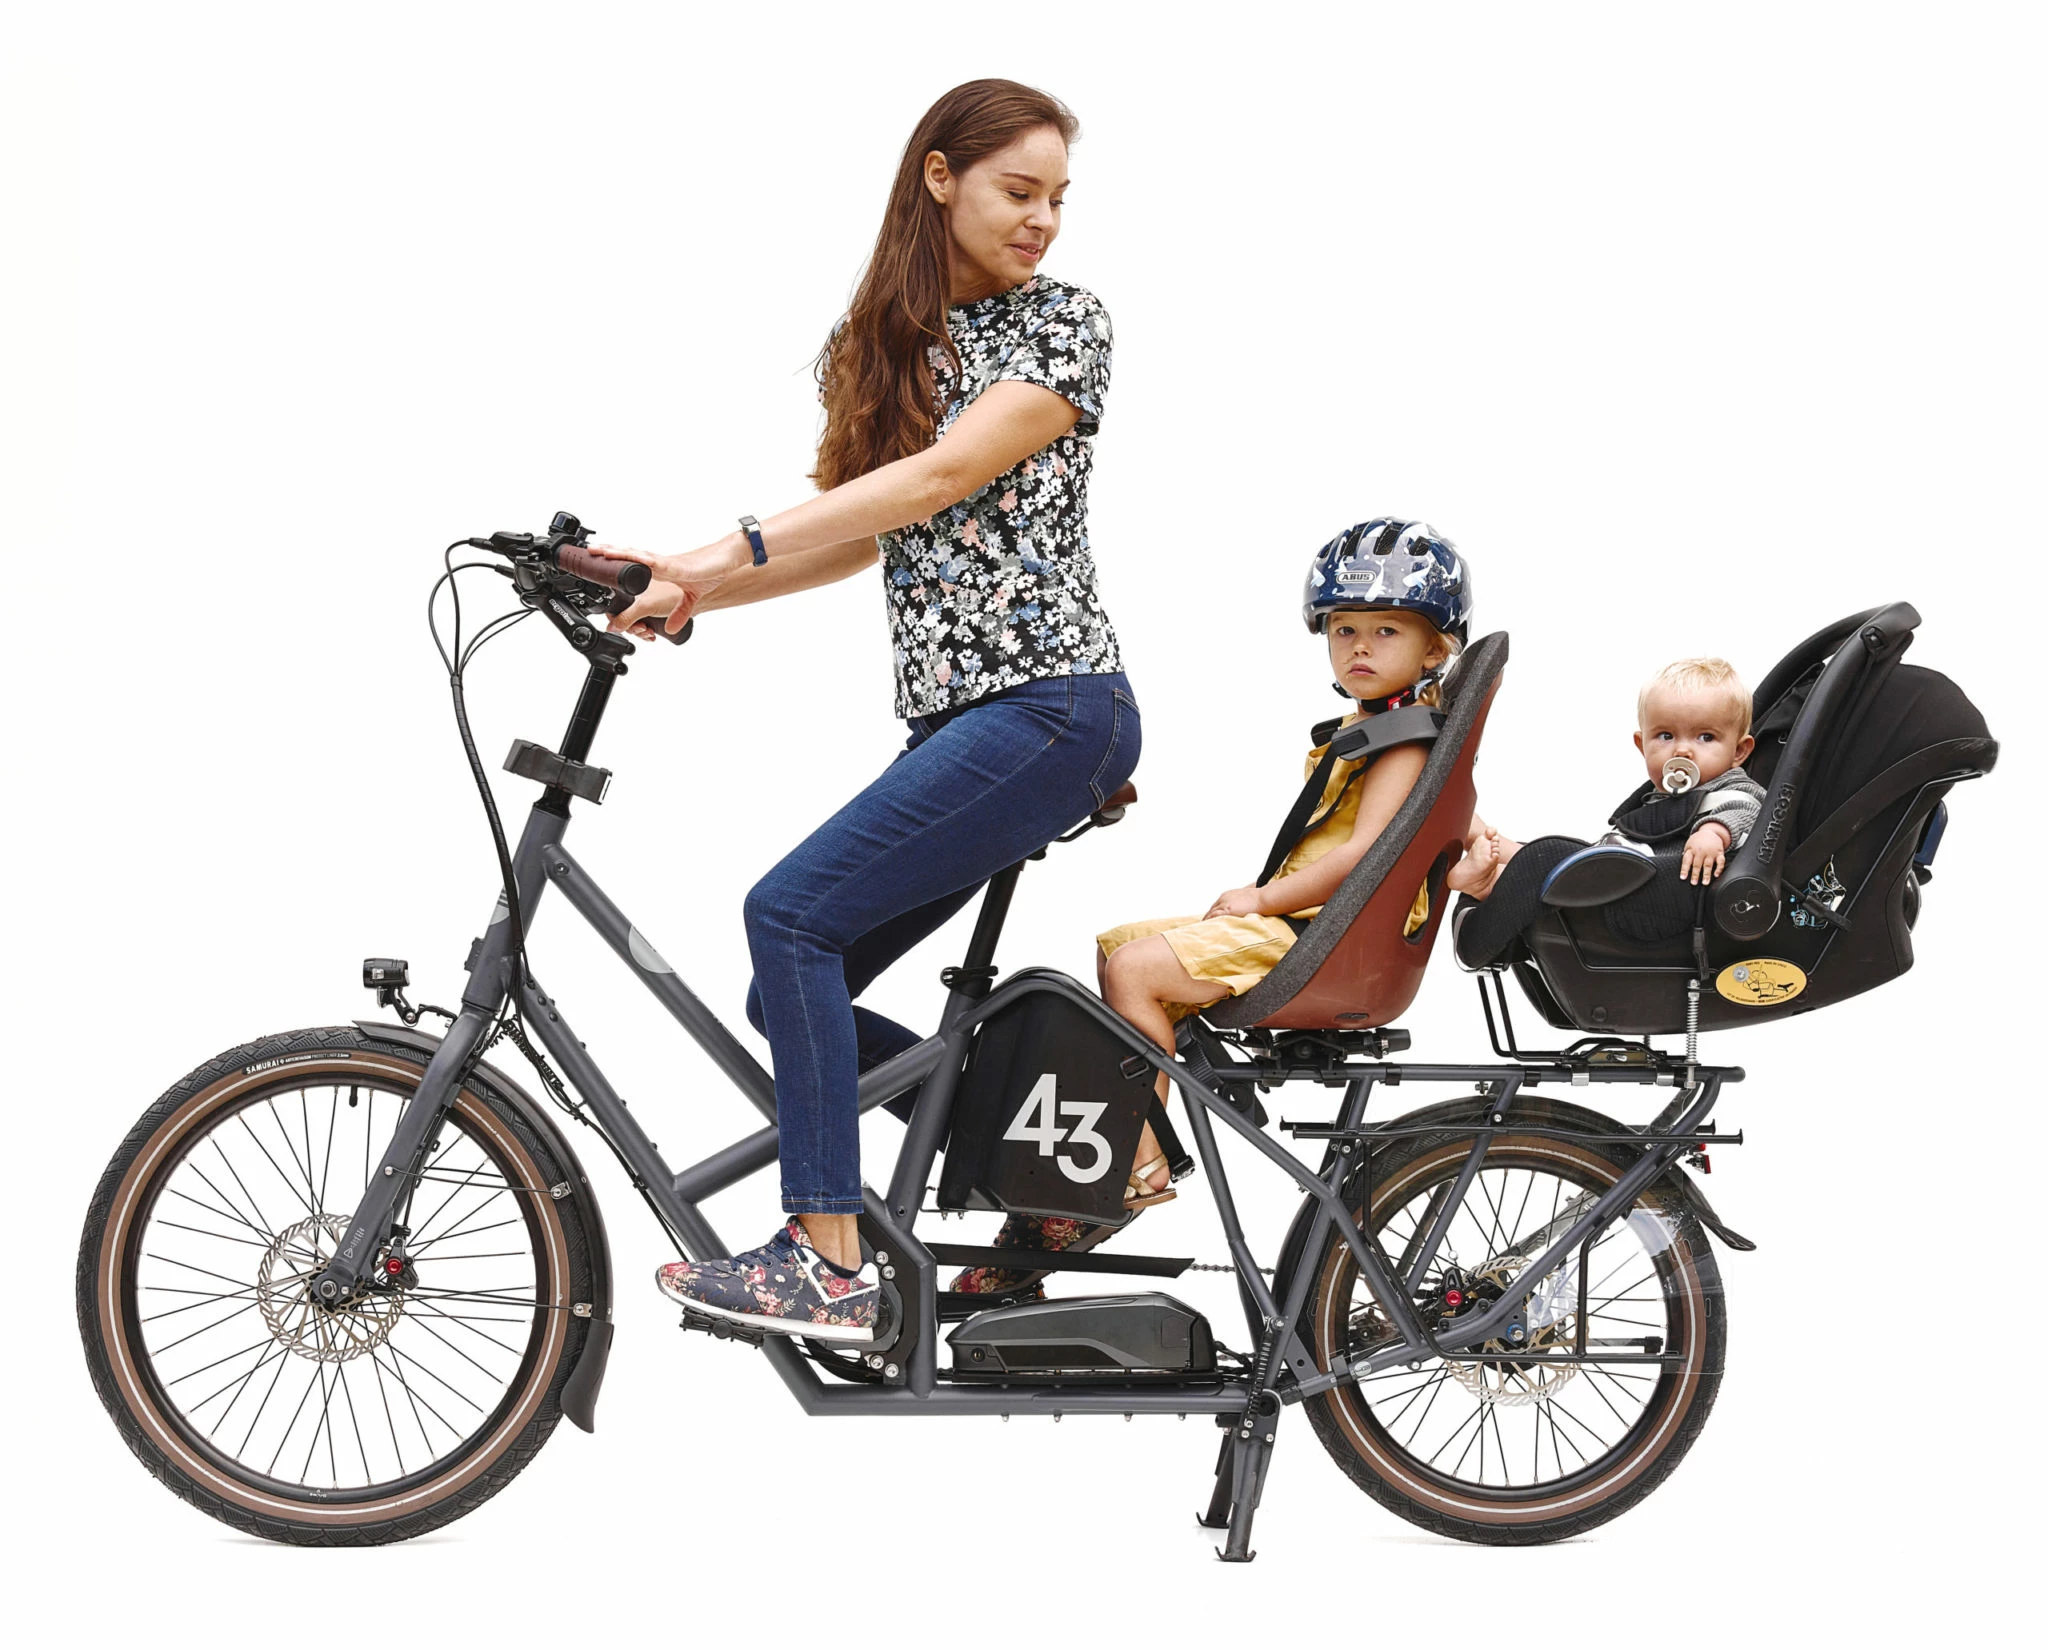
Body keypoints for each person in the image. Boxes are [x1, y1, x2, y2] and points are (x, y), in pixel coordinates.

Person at [589, 80, 1140, 1344]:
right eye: (1019, 191)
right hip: (968, 725)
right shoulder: (880, 345)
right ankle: (1062, 1164)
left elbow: (940, 476)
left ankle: (824, 1260)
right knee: (795, 982)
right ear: (939, 178)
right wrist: (685, 592)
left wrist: (717, 548)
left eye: (1056, 198)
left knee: (787, 915)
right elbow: (855, 534)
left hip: (1052, 703)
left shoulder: (1063, 324)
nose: (1043, 219)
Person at [953, 519, 1478, 1299]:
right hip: (1315, 926)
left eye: (1386, 630)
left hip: (1326, 938)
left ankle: (1138, 1159)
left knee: (1137, 970)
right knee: (1120, 947)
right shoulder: (1379, 728)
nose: (1359, 647)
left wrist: (1262, 898)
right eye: (1344, 629)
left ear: (1436, 650)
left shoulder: (1403, 739)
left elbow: (1365, 856)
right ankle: (1143, 1117)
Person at [1453, 657, 1767, 962]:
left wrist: (1714, 833)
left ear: (1739, 751)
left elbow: (1747, 809)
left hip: (1658, 899)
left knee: (1546, 859)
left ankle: (1480, 925)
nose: (1682, 750)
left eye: (1706, 737)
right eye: (1666, 736)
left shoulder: (1731, 787)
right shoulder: (1662, 797)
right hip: (1624, 878)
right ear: (1642, 745)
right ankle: (1496, 860)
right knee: (1551, 858)